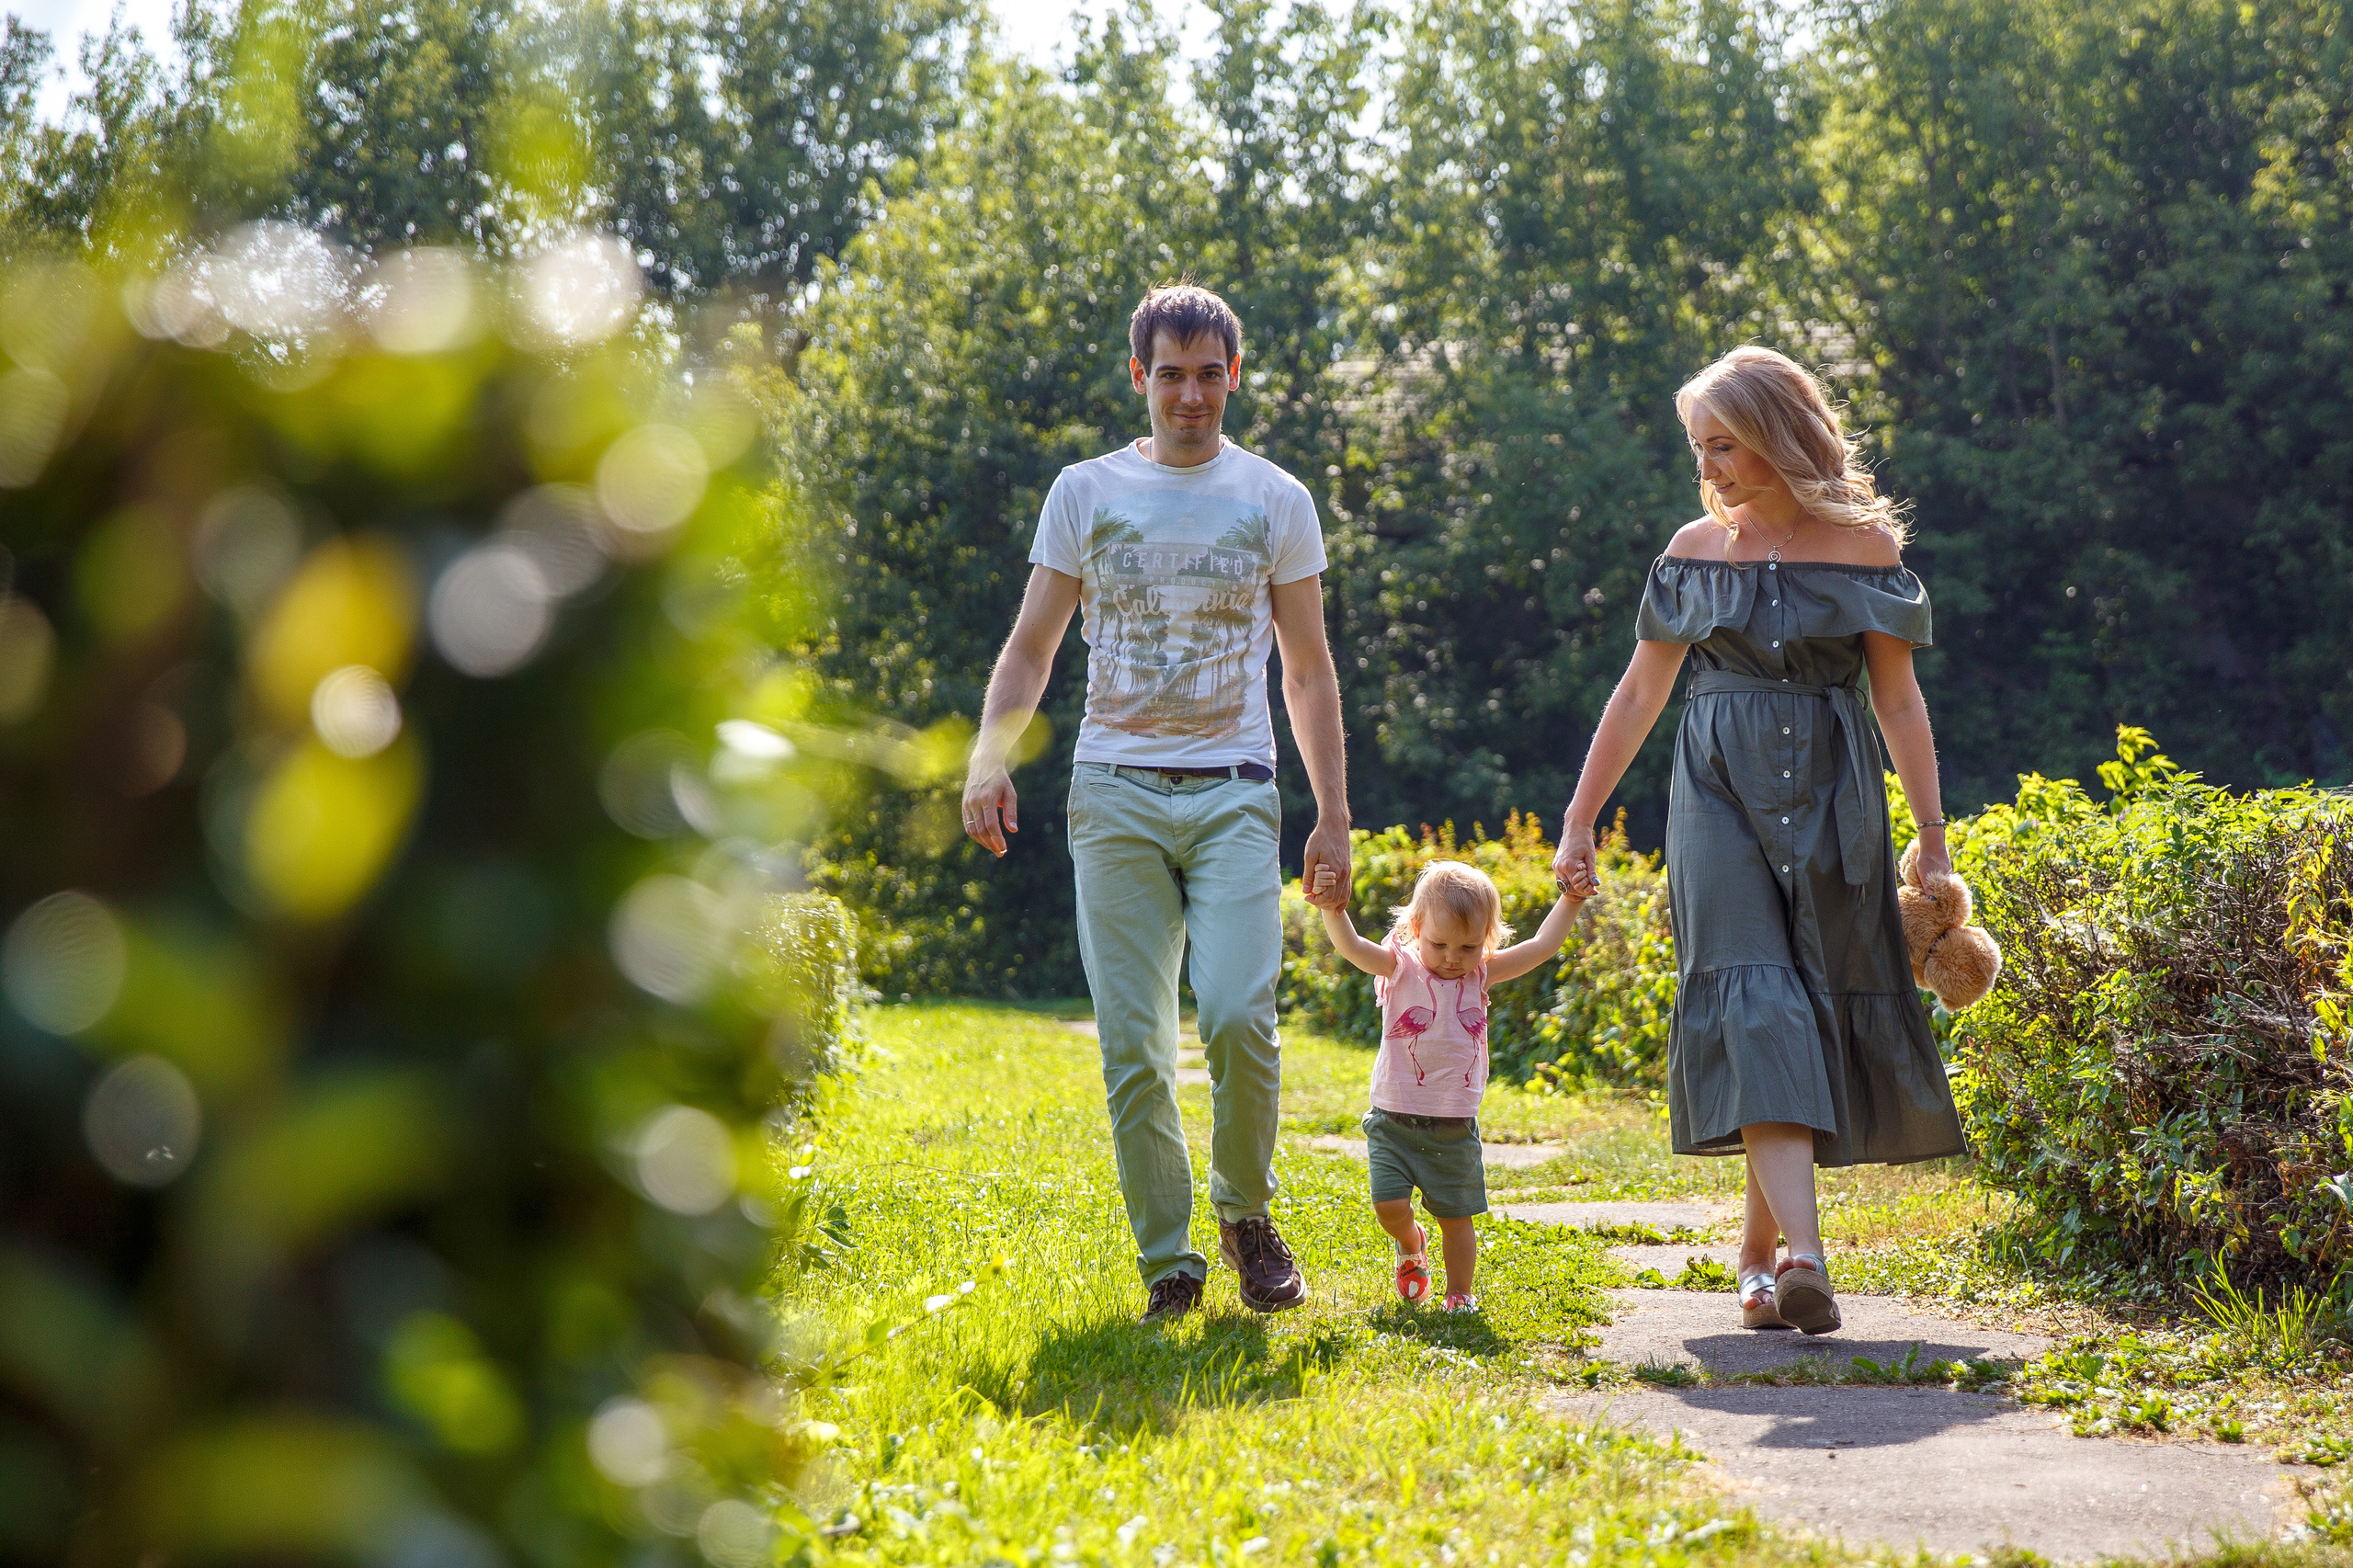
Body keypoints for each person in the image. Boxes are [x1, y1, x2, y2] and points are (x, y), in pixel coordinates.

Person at [1551, 346, 1966, 1336]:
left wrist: (1933, 840)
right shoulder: (1694, 547)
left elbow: (1897, 699)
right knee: (1754, 994)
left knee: (1806, 1003)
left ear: (1782, 433)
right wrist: (1578, 814)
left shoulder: (1864, 549)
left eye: (1727, 444)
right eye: (1701, 448)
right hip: (1715, 792)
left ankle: (1754, 1257)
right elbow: (1641, 690)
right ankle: (1809, 1259)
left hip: (1835, 790)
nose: (1714, 467)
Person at [961, 282, 1354, 1324]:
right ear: (1139, 376)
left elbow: (1308, 672)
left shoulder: (1275, 497)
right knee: (1132, 1044)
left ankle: (1246, 1215)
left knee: (1236, 1015)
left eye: (1208, 373)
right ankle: (1169, 1263)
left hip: (1235, 791)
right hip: (1113, 792)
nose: (1190, 394)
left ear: (1235, 374)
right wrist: (986, 761)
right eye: (1170, 374)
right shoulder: (1085, 492)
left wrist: (1331, 811)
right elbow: (1031, 645)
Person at [1311, 859, 1587, 1312]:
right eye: (1439, 944)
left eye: (1469, 946)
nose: (1453, 958)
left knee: (1456, 1218)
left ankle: (1460, 1293)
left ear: (1487, 942)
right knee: (1388, 1206)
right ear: (1416, 929)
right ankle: (1409, 1241)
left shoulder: (1481, 974)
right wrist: (1332, 909)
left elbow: (1541, 946)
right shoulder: (1399, 967)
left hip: (1455, 1125)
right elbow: (1352, 947)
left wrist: (1570, 899)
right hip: (1393, 1118)